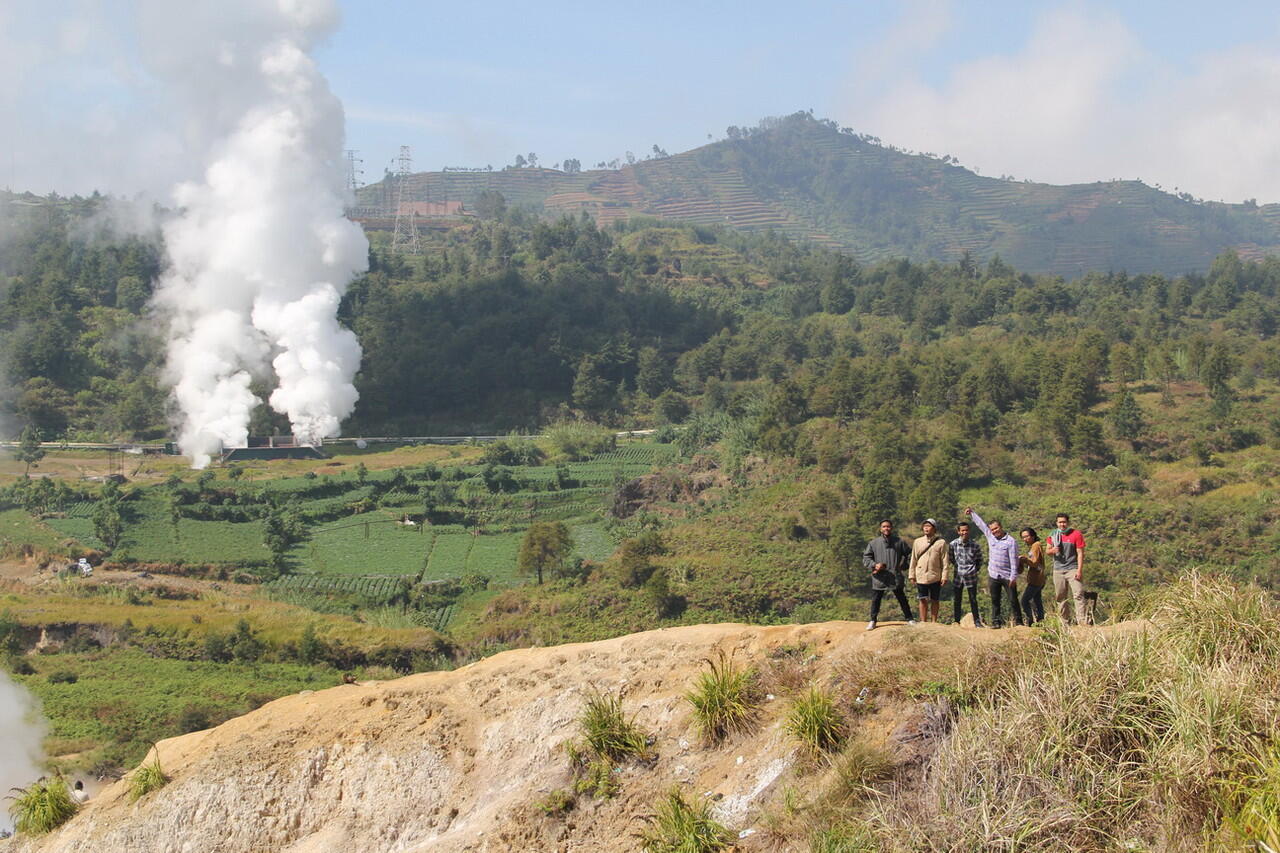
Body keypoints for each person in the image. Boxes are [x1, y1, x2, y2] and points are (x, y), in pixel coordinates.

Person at [964, 507, 1023, 628]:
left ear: (1001, 527)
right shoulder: (990, 536)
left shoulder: (1010, 541)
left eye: (996, 528)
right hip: (994, 574)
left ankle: (1019, 622)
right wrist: (972, 514)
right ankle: (996, 622)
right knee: (995, 600)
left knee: (1013, 600)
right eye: (992, 529)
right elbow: (981, 525)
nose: (994, 531)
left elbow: (1014, 560)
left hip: (1007, 576)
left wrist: (1013, 576)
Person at [862, 519, 916, 631]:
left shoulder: (899, 542)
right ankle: (873, 620)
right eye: (884, 526)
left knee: (901, 597)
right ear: (880, 529)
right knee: (876, 599)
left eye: (888, 526)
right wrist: (875, 565)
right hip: (880, 575)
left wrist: (904, 565)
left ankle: (910, 618)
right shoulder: (873, 543)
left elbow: (910, 554)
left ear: (892, 528)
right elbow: (866, 558)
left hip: (894, 574)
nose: (886, 528)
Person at [908, 518, 954, 623]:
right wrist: (912, 575)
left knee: (935, 600)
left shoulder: (941, 543)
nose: (926, 528)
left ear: (934, 529)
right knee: (922, 599)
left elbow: (945, 561)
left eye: (928, 526)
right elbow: (913, 559)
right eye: (924, 526)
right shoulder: (917, 542)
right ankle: (923, 621)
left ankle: (934, 622)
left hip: (935, 575)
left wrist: (945, 576)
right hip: (921, 575)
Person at [1047, 513, 1088, 624]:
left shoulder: (1076, 534)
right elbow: (1048, 551)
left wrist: (1079, 570)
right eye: (1060, 522)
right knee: (1061, 597)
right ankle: (1065, 622)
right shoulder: (1053, 535)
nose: (1062, 524)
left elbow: (1080, 553)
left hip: (1072, 568)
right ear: (1056, 523)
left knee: (1078, 594)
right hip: (1058, 569)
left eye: (1064, 522)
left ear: (1068, 522)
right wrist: (1053, 551)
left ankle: (1082, 621)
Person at [949, 520, 984, 627]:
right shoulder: (953, 544)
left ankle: (977, 621)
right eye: (962, 530)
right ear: (958, 532)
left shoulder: (975, 545)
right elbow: (951, 558)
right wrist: (957, 567)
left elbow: (979, 560)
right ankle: (956, 621)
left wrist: (973, 570)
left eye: (966, 530)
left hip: (971, 575)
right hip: (958, 575)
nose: (965, 532)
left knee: (973, 599)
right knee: (957, 599)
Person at [1019, 528, 1046, 624]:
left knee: (1024, 600)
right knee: (1037, 600)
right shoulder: (1034, 546)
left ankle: (1030, 620)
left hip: (1036, 579)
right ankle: (1040, 620)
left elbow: (1034, 563)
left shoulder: (1036, 546)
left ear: (1033, 536)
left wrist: (1024, 559)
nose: (1025, 539)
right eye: (1023, 537)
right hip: (1039, 578)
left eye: (1027, 536)